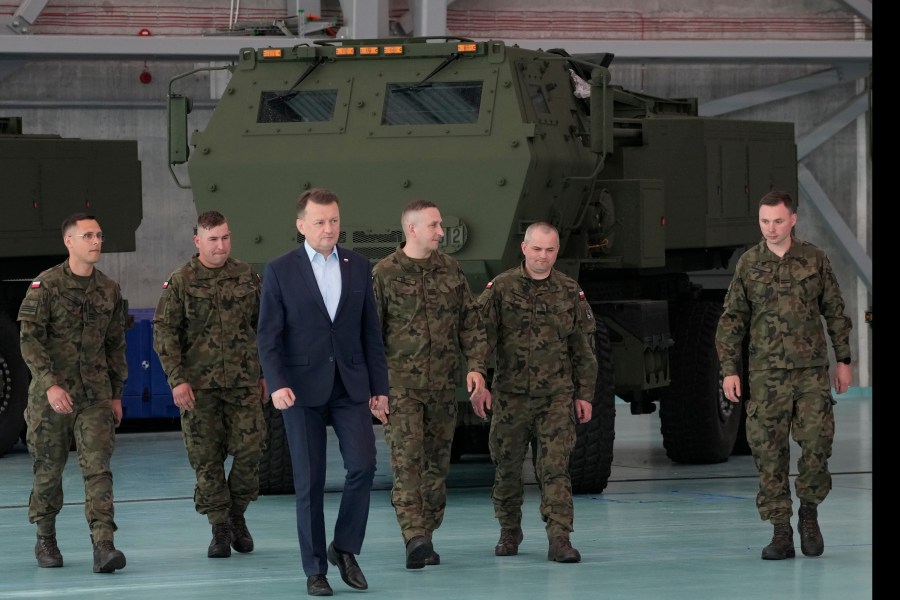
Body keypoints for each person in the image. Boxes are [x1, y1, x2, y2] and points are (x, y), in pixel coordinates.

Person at [257, 187, 389, 597]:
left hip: (350, 387)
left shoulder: (359, 265)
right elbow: (268, 336)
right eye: (319, 221)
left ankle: (344, 548)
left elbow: (371, 334)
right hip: (299, 390)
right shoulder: (280, 270)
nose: (328, 228)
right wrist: (276, 383)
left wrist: (379, 390)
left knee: (364, 466)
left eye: (333, 220)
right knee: (309, 482)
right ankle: (315, 569)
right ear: (301, 226)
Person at [715, 190, 853, 561]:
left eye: (778, 221)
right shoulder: (749, 264)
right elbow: (732, 321)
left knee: (816, 445)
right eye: (764, 221)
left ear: (792, 219)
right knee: (768, 452)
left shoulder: (814, 259)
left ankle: (809, 513)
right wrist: (729, 370)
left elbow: (835, 311)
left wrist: (844, 360)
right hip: (765, 374)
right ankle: (780, 529)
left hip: (810, 373)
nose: (771, 228)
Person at [371, 199, 489, 569]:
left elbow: (470, 323)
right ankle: (414, 537)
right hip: (400, 388)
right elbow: (370, 336)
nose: (442, 231)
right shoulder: (384, 274)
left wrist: (476, 367)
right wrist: (373, 389)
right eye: (435, 225)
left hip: (441, 387)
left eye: (440, 225)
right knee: (408, 463)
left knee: (437, 468)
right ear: (413, 230)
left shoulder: (451, 270)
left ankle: (427, 533)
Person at [475, 221, 597, 563]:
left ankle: (559, 538)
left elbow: (583, 347)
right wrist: (480, 381)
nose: (543, 257)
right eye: (537, 249)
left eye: (550, 250)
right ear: (525, 248)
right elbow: (480, 337)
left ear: (557, 252)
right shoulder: (501, 288)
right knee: (507, 467)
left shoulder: (570, 291)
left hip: (556, 396)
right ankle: (509, 531)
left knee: (555, 467)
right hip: (510, 396)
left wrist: (584, 393)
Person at [152, 210, 268, 559]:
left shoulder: (247, 277)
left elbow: (264, 328)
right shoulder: (182, 282)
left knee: (251, 452)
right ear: (198, 241)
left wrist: (265, 374)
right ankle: (220, 527)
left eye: (226, 238)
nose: (221, 246)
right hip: (198, 388)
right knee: (207, 460)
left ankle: (237, 514)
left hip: (244, 384)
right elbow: (165, 333)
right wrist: (177, 380)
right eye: (213, 239)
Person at [17, 212, 128, 574]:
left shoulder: (109, 289)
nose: (96, 242)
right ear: (69, 242)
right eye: (88, 236)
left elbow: (115, 344)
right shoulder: (45, 286)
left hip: (94, 395)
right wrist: (49, 385)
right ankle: (45, 536)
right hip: (52, 398)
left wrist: (115, 394)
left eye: (99, 235)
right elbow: (29, 340)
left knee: (98, 468)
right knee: (48, 470)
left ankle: (103, 544)